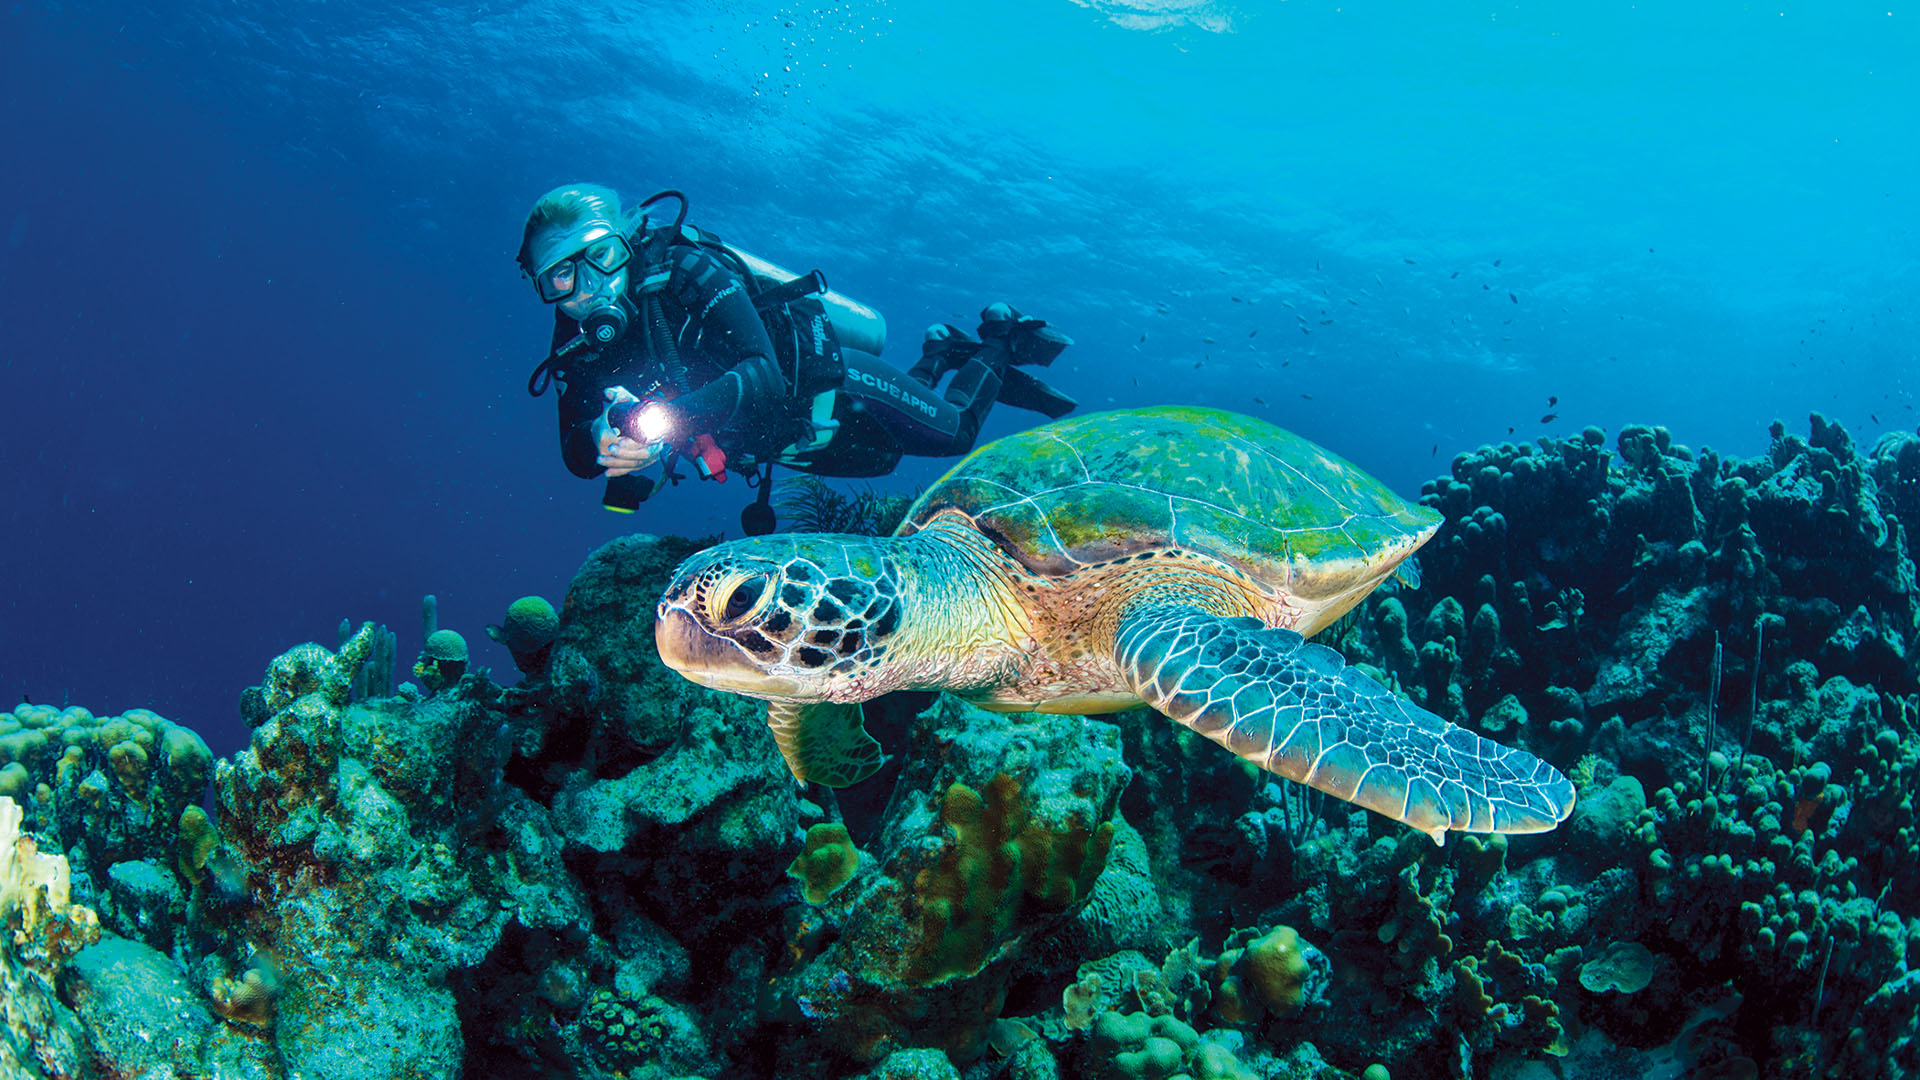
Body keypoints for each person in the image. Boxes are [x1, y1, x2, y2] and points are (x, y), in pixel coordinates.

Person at [516, 184, 1076, 532]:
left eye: (601, 255)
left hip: (836, 387)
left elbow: (761, 373)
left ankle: (998, 336)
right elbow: (574, 450)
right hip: (790, 441)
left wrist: (665, 420)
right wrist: (602, 439)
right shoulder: (578, 337)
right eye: (562, 275)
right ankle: (939, 349)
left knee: (954, 435)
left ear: (626, 241)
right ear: (542, 285)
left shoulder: (686, 272)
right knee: (893, 455)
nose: (590, 285)